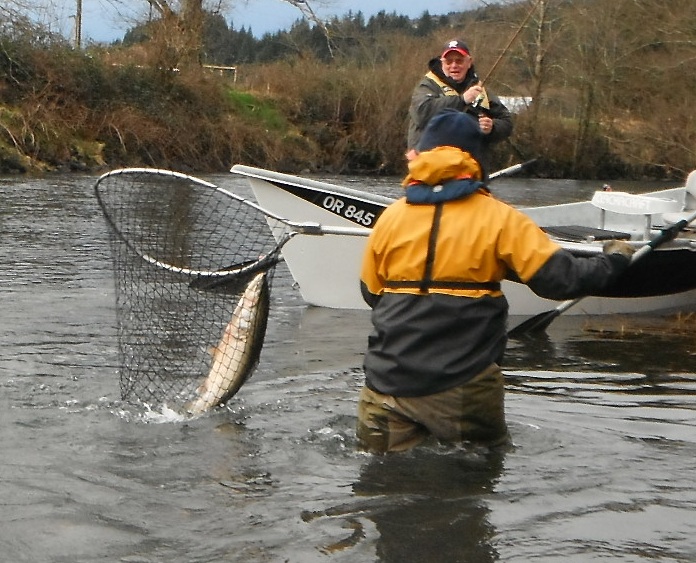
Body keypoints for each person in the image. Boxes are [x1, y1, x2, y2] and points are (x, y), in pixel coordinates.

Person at [357, 109, 635, 454]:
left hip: (384, 386)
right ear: (476, 160)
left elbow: (371, 293)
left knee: (383, 479)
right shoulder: (500, 218)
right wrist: (615, 260)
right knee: (475, 473)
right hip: (463, 388)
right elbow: (562, 280)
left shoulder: (389, 218)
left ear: (421, 156)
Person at [406, 39, 513, 165]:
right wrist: (461, 100)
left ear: (469, 62)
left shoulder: (480, 89)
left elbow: (506, 121)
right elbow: (422, 113)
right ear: (441, 62)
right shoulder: (427, 85)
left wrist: (492, 127)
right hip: (430, 166)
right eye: (449, 61)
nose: (454, 65)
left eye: (459, 61)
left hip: (469, 166)